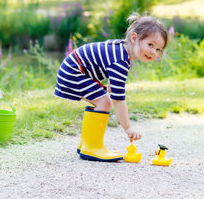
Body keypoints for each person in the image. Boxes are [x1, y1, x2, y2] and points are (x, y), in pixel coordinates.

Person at [54, 13, 168, 162]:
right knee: (105, 102)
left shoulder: (120, 48)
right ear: (134, 38)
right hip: (73, 72)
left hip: (74, 69)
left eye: (158, 49)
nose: (153, 52)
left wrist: (109, 85)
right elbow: (118, 100)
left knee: (102, 99)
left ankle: (86, 143)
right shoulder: (120, 61)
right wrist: (127, 128)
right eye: (150, 45)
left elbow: (101, 61)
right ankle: (92, 147)